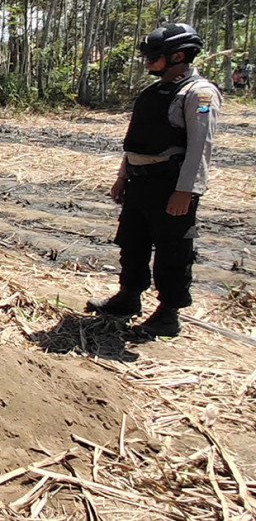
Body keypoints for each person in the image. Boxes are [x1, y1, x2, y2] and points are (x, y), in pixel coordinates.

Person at [86, 23, 221, 338]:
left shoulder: (198, 93)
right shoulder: (153, 91)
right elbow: (136, 141)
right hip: (140, 182)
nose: (147, 60)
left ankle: (168, 313)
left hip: (170, 184)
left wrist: (186, 191)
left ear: (177, 56)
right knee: (132, 243)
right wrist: (122, 176)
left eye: (153, 55)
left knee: (173, 250)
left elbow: (201, 147)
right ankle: (128, 298)